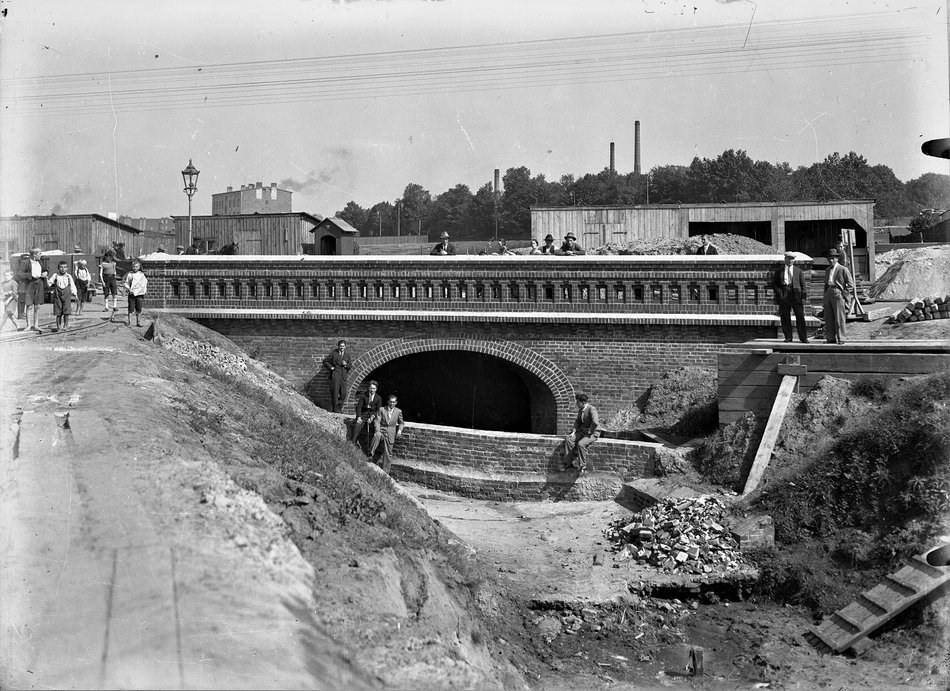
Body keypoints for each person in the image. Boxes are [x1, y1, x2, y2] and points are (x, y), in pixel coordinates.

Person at [772, 251, 809, 343]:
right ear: (785, 259)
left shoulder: (798, 271)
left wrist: (803, 297)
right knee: (785, 316)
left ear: (794, 260)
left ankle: (803, 337)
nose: (790, 261)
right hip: (784, 293)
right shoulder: (779, 271)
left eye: (792, 259)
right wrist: (780, 292)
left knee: (800, 316)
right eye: (788, 259)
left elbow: (803, 285)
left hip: (796, 294)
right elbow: (774, 284)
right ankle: (788, 337)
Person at [561, 392, 600, 473]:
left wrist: (591, 431)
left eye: (577, 402)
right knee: (569, 440)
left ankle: (582, 465)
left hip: (592, 433)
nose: (576, 404)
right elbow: (578, 421)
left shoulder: (591, 409)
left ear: (583, 402)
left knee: (581, 444)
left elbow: (595, 422)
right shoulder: (581, 410)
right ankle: (568, 464)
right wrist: (573, 432)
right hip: (582, 431)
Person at [823, 248, 854, 345]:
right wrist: (825, 293)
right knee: (828, 317)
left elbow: (851, 284)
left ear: (837, 259)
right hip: (828, 291)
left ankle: (841, 338)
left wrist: (844, 294)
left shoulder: (843, 269)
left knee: (839, 317)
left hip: (838, 292)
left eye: (832, 258)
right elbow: (826, 282)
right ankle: (830, 338)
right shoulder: (827, 270)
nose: (831, 260)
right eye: (829, 258)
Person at [370, 394, 404, 473]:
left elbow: (401, 423)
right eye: (390, 402)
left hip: (390, 434)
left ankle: (385, 473)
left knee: (388, 454)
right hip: (381, 431)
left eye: (393, 402)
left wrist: (399, 430)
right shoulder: (382, 409)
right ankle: (370, 454)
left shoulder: (398, 411)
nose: (392, 404)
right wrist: (377, 431)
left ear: (396, 403)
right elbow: (377, 421)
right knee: (376, 436)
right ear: (388, 402)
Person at [17, 248, 48, 334]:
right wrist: (31, 275)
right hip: (29, 284)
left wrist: (46, 273)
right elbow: (19, 274)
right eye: (39, 253)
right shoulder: (25, 263)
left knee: (37, 306)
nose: (40, 255)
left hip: (39, 284)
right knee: (29, 305)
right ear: (34, 254)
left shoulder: (40, 262)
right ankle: (28, 325)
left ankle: (36, 325)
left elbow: (45, 270)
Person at [322, 339, 352, 413]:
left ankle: (338, 406)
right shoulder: (334, 354)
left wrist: (346, 365)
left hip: (343, 375)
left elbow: (350, 366)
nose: (342, 347)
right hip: (336, 373)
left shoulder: (347, 355)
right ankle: (335, 409)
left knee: (344, 393)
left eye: (343, 346)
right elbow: (325, 361)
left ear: (345, 347)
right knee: (335, 392)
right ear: (338, 346)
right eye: (341, 346)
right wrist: (331, 368)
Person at [47, 260, 76, 333]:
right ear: (58, 268)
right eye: (61, 267)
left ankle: (65, 326)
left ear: (67, 268)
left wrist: (75, 294)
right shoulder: (55, 275)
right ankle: (58, 327)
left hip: (66, 296)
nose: (63, 269)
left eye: (65, 267)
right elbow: (49, 283)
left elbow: (72, 286)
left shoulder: (69, 276)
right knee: (58, 313)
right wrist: (46, 278)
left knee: (66, 312)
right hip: (58, 296)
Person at [351, 380, 382, 446]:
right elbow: (359, 407)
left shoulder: (378, 398)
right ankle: (353, 442)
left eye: (374, 388)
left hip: (372, 415)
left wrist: (372, 417)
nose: (372, 390)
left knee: (375, 428)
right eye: (371, 388)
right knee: (357, 425)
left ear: (376, 389)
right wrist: (359, 417)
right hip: (363, 414)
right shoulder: (363, 396)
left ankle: (369, 447)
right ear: (368, 388)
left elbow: (378, 410)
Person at [124, 259, 148, 327]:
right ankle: (129, 322)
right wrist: (129, 289)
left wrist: (144, 291)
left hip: (139, 295)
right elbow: (126, 283)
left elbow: (144, 283)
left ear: (139, 267)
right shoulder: (130, 274)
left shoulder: (141, 275)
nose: (135, 268)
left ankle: (138, 322)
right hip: (132, 294)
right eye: (133, 266)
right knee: (131, 308)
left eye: (136, 266)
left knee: (139, 308)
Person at [99, 250, 119, 317]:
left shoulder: (113, 263)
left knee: (114, 292)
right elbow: (100, 274)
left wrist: (114, 277)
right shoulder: (103, 264)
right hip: (106, 278)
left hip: (112, 278)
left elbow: (115, 271)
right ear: (106, 257)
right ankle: (106, 307)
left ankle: (114, 306)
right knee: (106, 293)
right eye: (109, 257)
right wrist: (102, 282)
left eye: (111, 257)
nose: (110, 258)